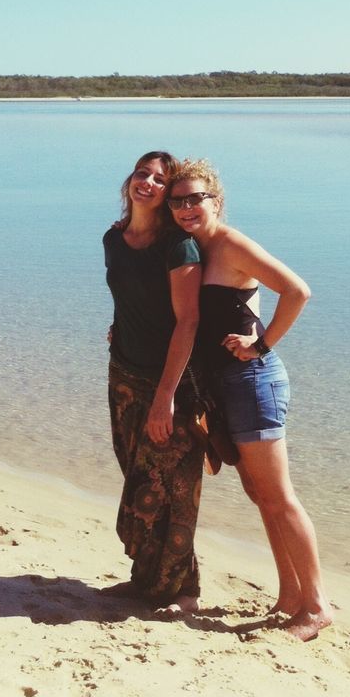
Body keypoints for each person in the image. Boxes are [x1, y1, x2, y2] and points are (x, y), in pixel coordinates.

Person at [167, 158, 333, 640]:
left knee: (279, 497)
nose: (185, 208)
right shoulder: (193, 248)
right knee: (259, 495)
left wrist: (260, 345)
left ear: (215, 201)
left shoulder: (232, 245)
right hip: (225, 386)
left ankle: (317, 604)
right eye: (178, 201)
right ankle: (289, 595)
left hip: (255, 380)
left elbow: (297, 291)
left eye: (195, 198)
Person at [103, 151, 204, 615]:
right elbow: (129, 298)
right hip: (122, 373)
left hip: (170, 383)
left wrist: (166, 398)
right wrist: (120, 328)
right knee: (137, 481)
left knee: (171, 489)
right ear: (130, 180)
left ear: (167, 195)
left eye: (160, 180)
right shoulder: (113, 238)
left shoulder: (176, 247)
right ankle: (146, 579)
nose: (147, 182)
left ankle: (184, 590)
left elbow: (187, 323)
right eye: (142, 173)